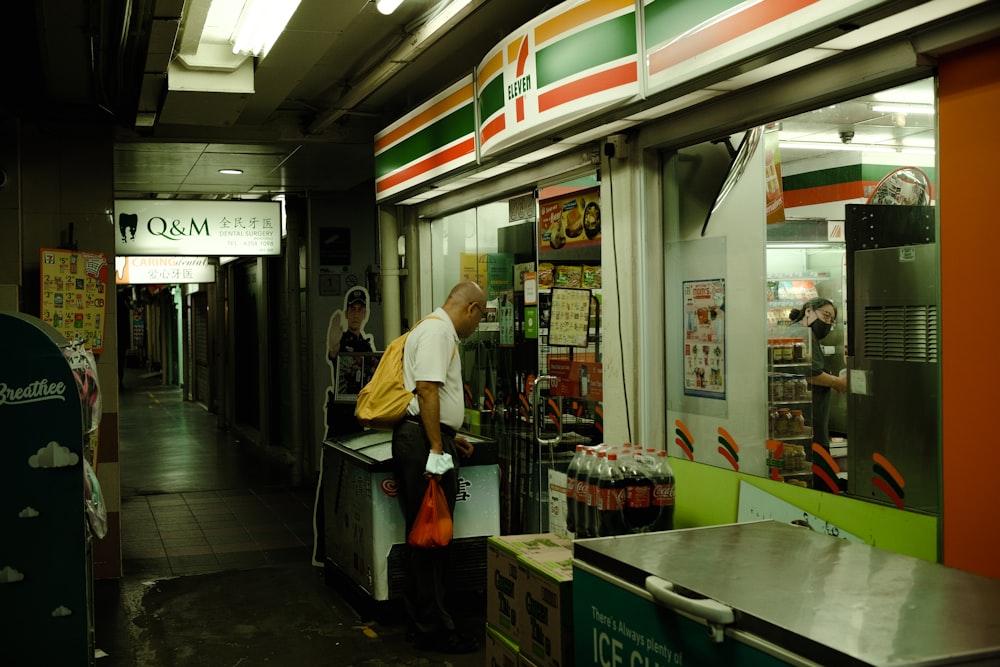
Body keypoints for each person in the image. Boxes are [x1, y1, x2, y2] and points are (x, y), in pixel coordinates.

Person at [391, 281, 485, 654]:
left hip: (429, 438)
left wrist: (448, 437)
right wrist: (435, 447)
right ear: (471, 309)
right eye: (479, 319)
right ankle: (434, 629)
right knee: (431, 535)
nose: (475, 327)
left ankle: (424, 622)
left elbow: (433, 395)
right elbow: (427, 390)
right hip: (422, 444)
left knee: (428, 534)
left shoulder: (432, 329)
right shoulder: (437, 331)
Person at [787, 297, 847, 450]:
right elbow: (810, 372)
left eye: (831, 320)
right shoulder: (802, 334)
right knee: (814, 462)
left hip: (804, 414)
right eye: (825, 315)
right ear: (808, 311)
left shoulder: (796, 331)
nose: (828, 322)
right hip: (807, 414)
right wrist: (838, 382)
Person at [324, 287, 375, 437]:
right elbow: (334, 351)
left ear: (365, 314)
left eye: (360, 310)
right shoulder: (342, 340)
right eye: (352, 309)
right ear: (346, 313)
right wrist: (333, 343)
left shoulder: (366, 346)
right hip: (340, 416)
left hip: (358, 414)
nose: (356, 314)